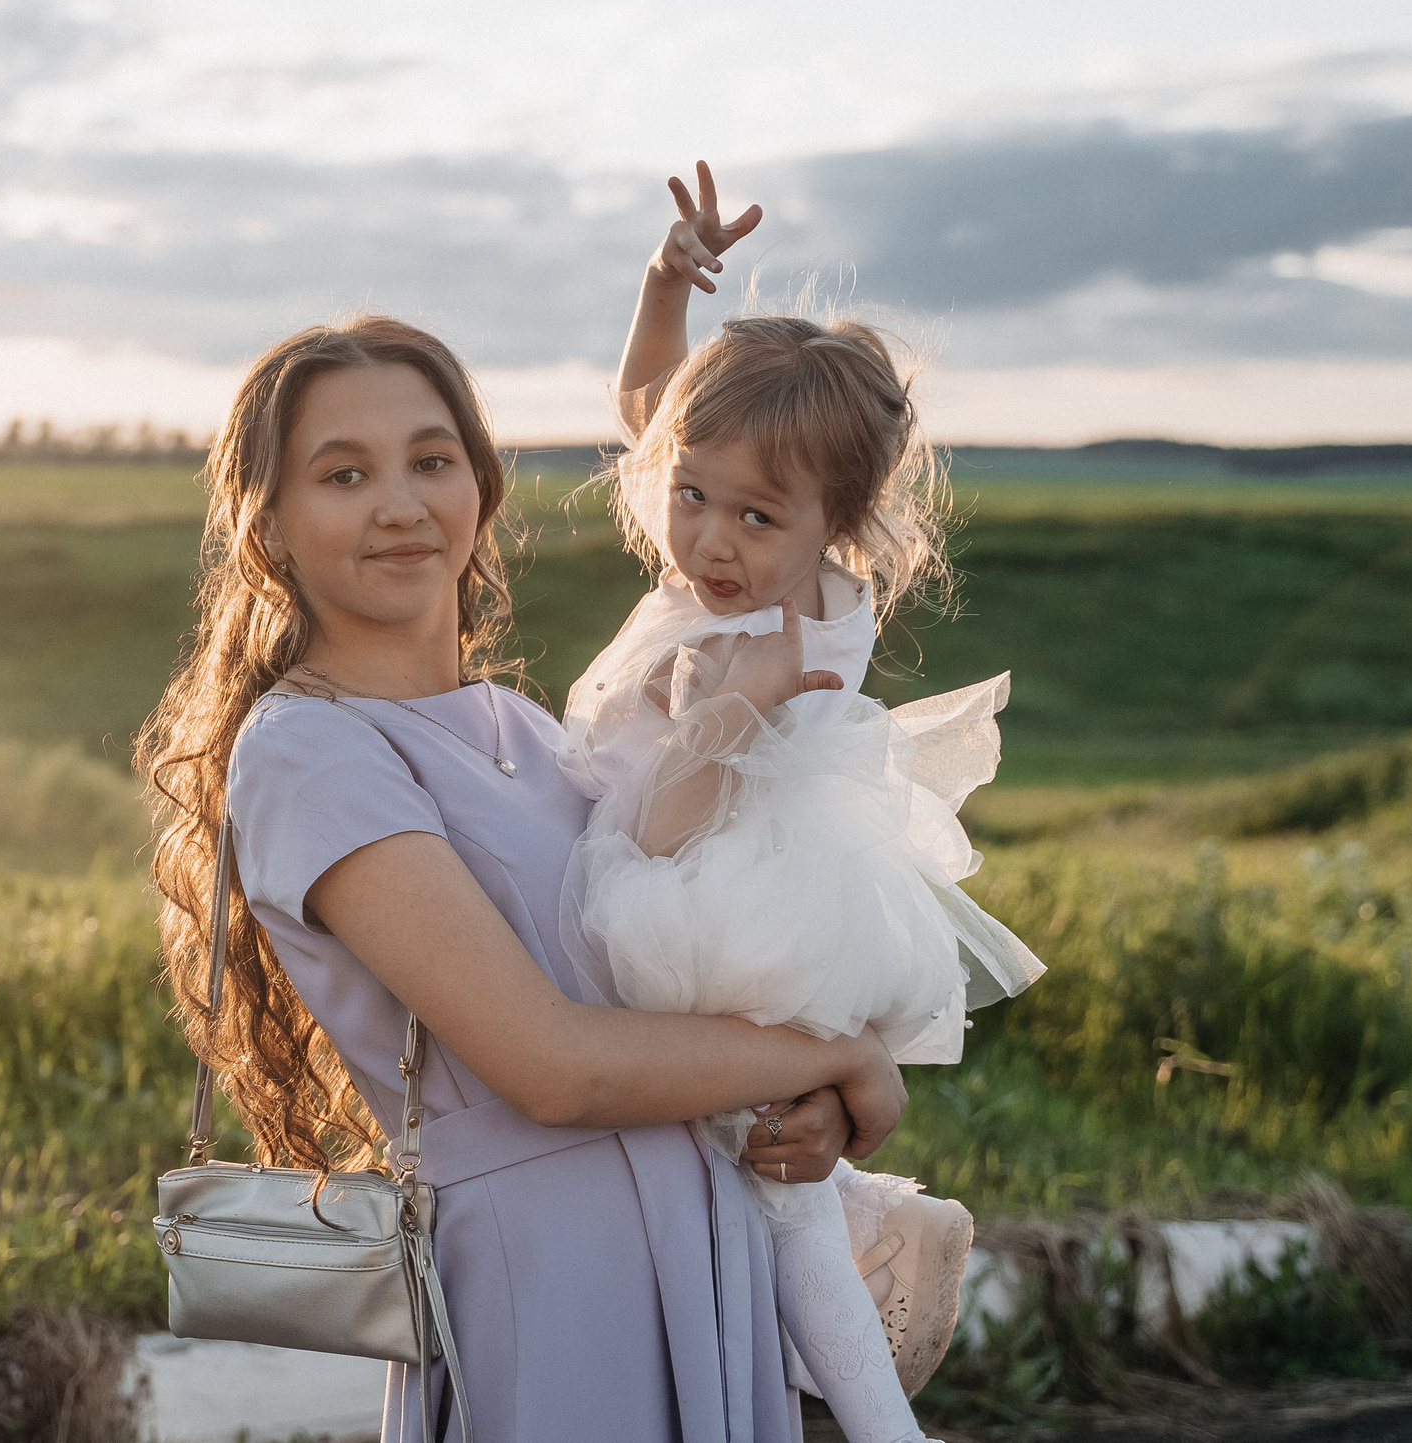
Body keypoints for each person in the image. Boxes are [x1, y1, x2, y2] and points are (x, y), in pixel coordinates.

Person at [137, 315, 909, 1442]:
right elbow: (552, 1066)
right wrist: (841, 1054)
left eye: (431, 461)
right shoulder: (311, 752)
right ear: (271, 527)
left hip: (703, 1242)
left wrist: (805, 1111)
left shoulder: (528, 728)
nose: (401, 503)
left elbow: (667, 990)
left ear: (481, 488)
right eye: (344, 474)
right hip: (547, 1273)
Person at [555, 164, 1047, 1443]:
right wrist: (666, 285)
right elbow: (645, 406)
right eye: (690, 496)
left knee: (770, 1203)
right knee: (738, 1192)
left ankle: (880, 1395)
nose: (709, 541)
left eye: (755, 516)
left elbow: (666, 831)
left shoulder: (768, 652)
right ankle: (858, 1248)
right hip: (721, 889)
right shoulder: (749, 570)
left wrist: (719, 705)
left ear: (843, 521)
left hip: (718, 920)